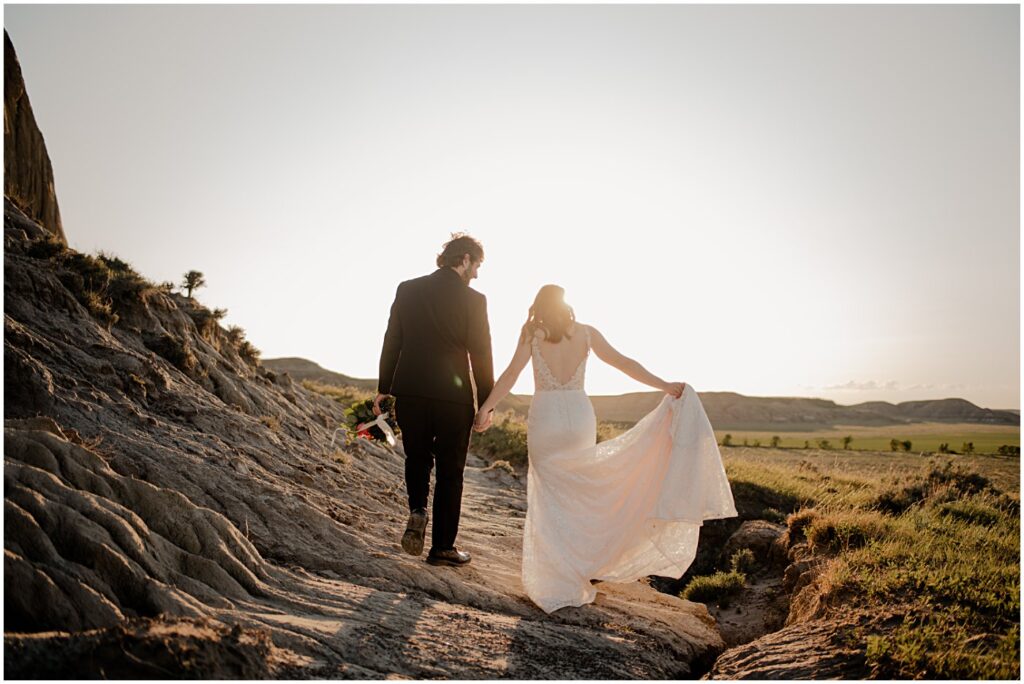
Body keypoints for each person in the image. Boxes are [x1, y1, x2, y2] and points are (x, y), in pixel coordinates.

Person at [474, 285, 737, 612]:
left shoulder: (532, 334)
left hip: (547, 420)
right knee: (580, 492)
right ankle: (585, 566)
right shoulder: (587, 333)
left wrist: (486, 408)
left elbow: (512, 374)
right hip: (580, 417)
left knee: (551, 494)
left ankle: (563, 569)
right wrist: (664, 385)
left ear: (539, 306)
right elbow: (624, 363)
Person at [375, 233, 494, 567]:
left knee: (417, 459)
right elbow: (481, 353)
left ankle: (417, 510)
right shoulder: (474, 300)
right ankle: (442, 546)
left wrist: (384, 387)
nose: (477, 274)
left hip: (410, 390)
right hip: (453, 398)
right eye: (478, 265)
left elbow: (392, 340)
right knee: (450, 471)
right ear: (466, 258)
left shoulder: (407, 289)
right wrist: (486, 401)